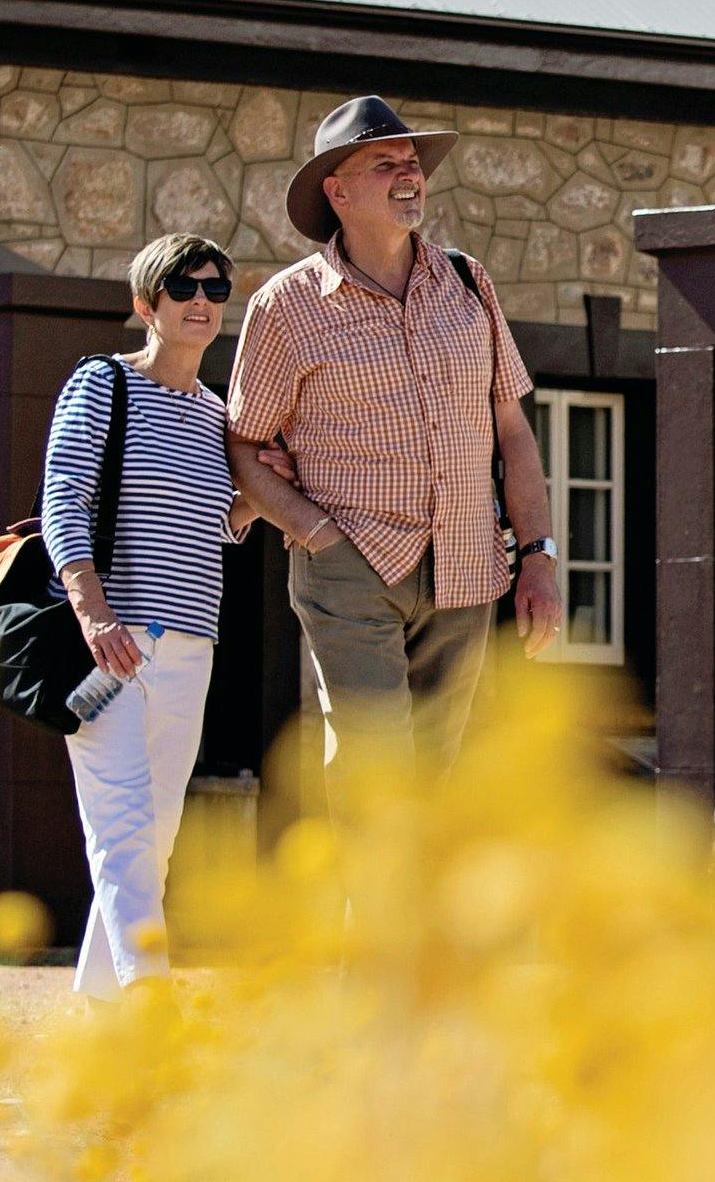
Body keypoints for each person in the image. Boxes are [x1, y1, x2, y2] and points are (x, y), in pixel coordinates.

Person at [46, 230, 343, 991]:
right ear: (147, 306)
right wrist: (94, 614)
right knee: (123, 832)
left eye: (215, 289)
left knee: (155, 839)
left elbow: (217, 526)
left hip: (188, 648)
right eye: (183, 288)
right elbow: (63, 502)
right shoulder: (102, 385)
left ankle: (100, 1016)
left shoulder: (218, 417)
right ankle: (150, 1002)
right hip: (108, 648)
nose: (202, 301)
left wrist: (264, 490)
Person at [227, 95, 561, 766]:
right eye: (385, 164)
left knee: (436, 778)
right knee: (376, 767)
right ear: (338, 191)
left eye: (412, 162)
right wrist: (316, 533)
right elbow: (243, 443)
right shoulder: (286, 306)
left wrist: (538, 557)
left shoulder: (469, 282)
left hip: (467, 566)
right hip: (351, 564)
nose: (409, 174)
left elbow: (512, 429)